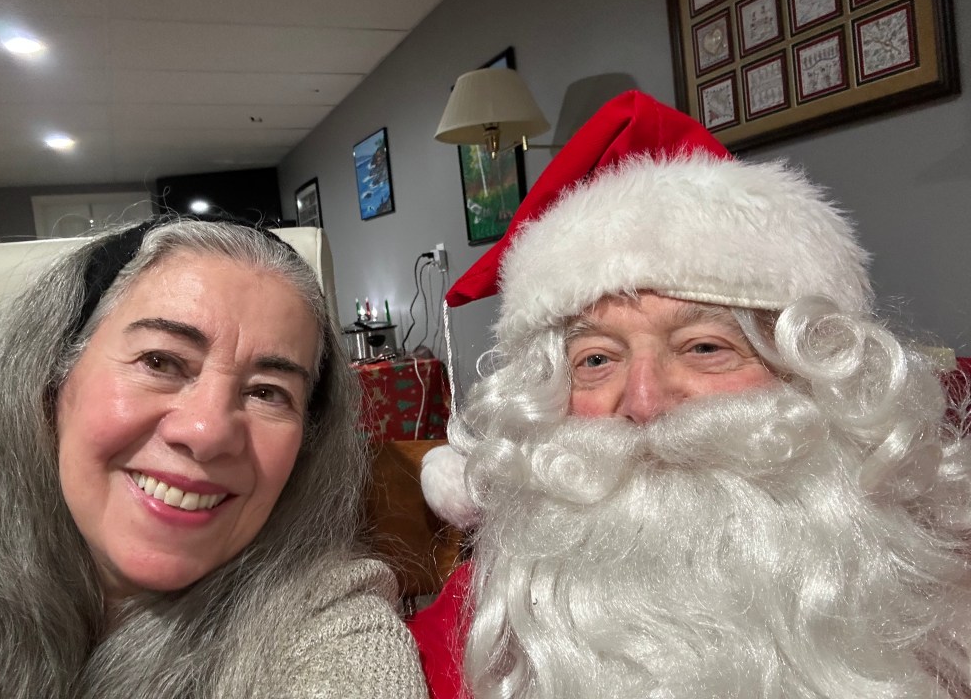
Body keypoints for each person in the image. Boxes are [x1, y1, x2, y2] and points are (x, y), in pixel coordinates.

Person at [412, 91, 971, 698]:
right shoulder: (473, 633)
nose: (644, 402)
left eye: (704, 347)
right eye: (596, 360)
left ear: (810, 376)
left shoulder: (939, 599)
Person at [0, 217, 428, 698]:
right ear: (51, 378)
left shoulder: (331, 623)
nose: (207, 433)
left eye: (267, 392)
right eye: (160, 362)